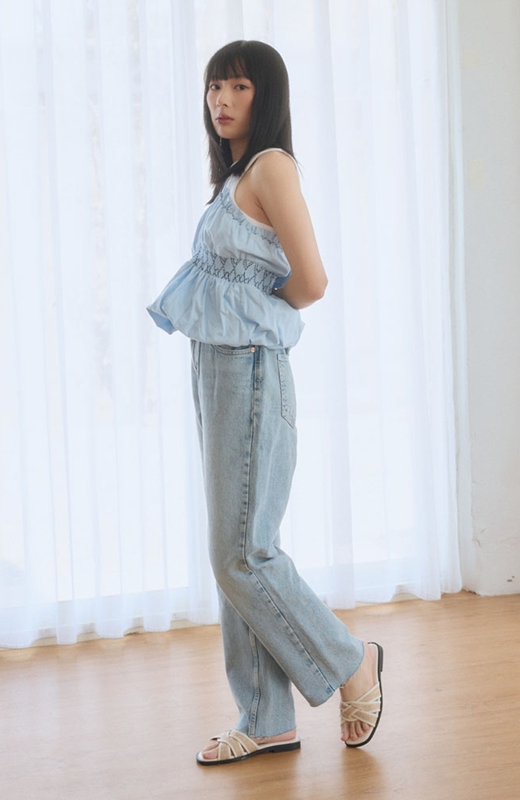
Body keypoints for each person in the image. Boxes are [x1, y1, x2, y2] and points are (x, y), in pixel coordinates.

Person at [147, 40, 384, 766]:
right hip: (219, 366)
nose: (221, 99)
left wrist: (254, 311)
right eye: (214, 86)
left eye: (239, 87)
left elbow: (311, 282)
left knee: (243, 554)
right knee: (233, 552)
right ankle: (267, 716)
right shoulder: (235, 176)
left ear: (266, 96)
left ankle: (351, 662)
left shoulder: (271, 167)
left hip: (249, 367)